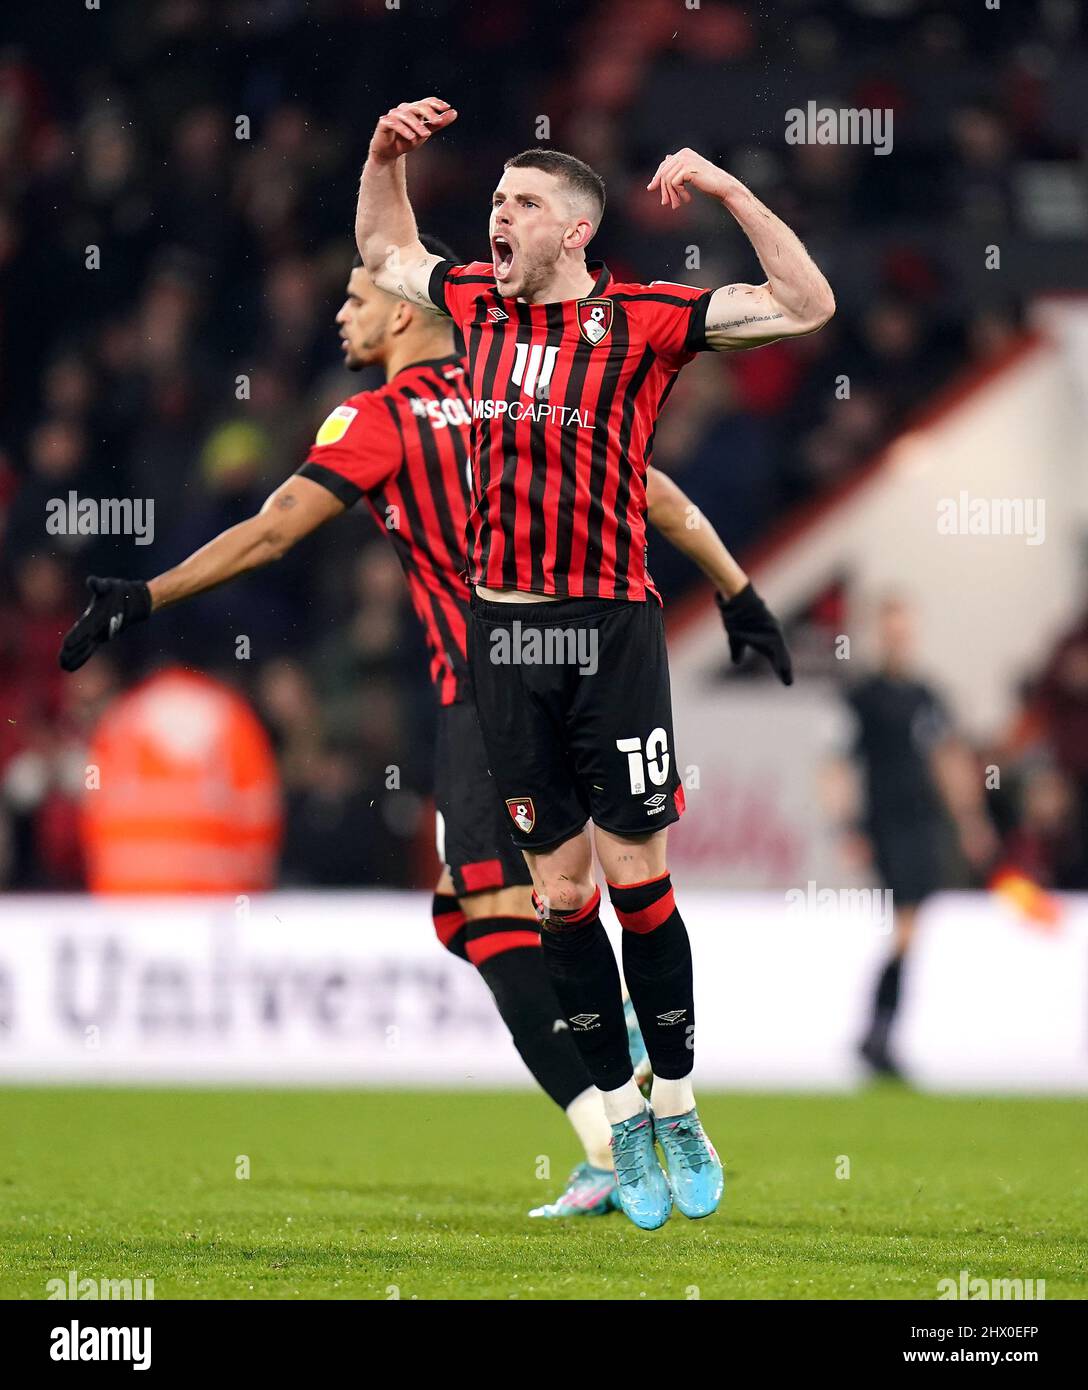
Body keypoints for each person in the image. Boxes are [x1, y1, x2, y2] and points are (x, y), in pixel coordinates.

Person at [59, 244, 793, 1217]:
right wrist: (736, 589)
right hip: (593, 656)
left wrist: (146, 593)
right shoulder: (513, 381)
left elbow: (277, 526)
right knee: (540, 900)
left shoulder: (378, 417)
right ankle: (631, 1095)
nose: (341, 317)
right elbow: (646, 488)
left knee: (487, 917)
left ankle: (612, 1137)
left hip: (486, 690)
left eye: (356, 299)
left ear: (404, 316)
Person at [356, 97, 832, 1227]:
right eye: (491, 203)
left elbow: (806, 303)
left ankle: (676, 1101)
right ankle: (618, 1118)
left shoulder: (650, 321)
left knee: (637, 884)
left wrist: (723, 189)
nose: (495, 220)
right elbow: (383, 248)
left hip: (609, 631)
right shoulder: (472, 302)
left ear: (573, 229)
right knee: (558, 895)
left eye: (518, 206)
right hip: (503, 637)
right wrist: (382, 157)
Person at [841, 596, 996, 1077]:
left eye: (904, 631)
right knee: (907, 922)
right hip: (886, 823)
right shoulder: (861, 697)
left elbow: (947, 759)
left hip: (924, 823)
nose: (898, 640)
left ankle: (878, 1033)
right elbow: (838, 764)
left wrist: (970, 820)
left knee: (912, 924)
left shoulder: (927, 696)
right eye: (891, 632)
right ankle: (877, 1031)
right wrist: (849, 825)